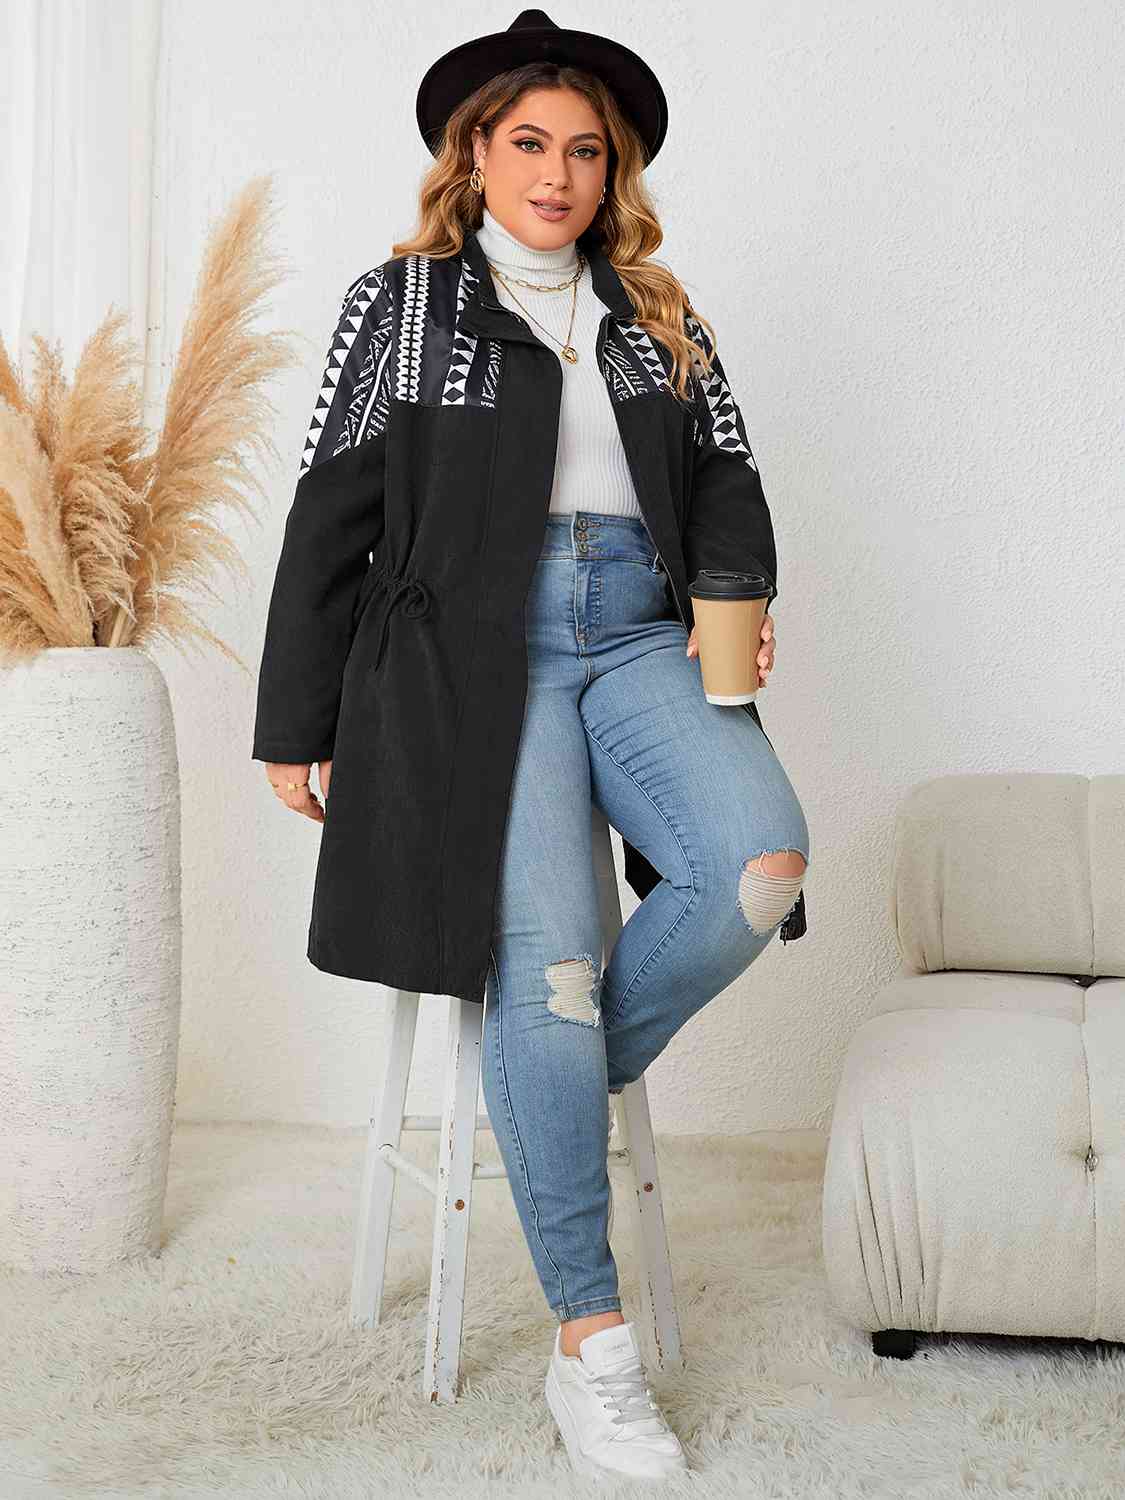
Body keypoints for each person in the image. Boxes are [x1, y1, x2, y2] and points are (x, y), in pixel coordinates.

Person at [254, 10, 810, 1483]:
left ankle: (542, 1072)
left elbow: (727, 477)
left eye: (584, 151)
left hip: (640, 633)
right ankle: (592, 1346)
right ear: (476, 155)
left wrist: (738, 600)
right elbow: (330, 510)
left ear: (612, 169)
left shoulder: (656, 309)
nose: (557, 174)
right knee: (552, 970)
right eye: (528, 144)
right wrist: (294, 721)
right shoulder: (407, 306)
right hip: (467, 661)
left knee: (754, 867)